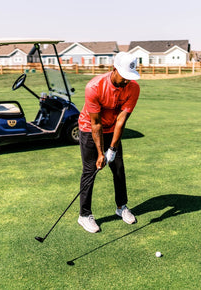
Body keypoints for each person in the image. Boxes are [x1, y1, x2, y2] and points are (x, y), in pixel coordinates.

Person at [77, 52, 141, 233]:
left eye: (130, 77)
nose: (126, 81)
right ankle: (84, 215)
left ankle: (121, 206)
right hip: (89, 128)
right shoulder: (94, 87)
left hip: (112, 128)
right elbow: (95, 124)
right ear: (114, 70)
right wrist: (100, 154)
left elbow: (121, 121)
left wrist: (112, 148)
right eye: (124, 77)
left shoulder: (133, 88)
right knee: (91, 170)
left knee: (118, 168)